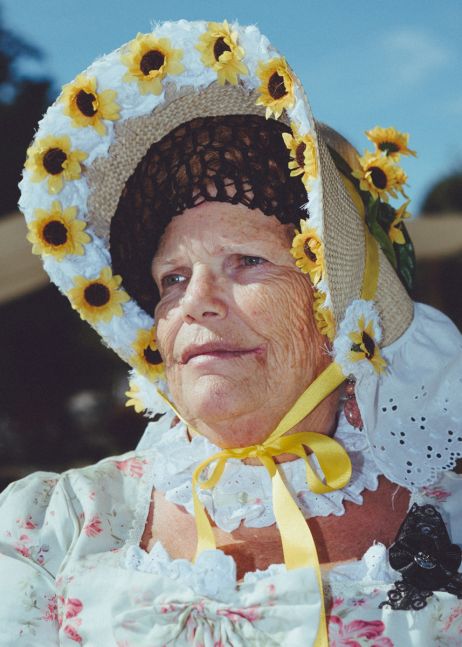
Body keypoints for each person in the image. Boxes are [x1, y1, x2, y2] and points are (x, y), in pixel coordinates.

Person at [1, 19, 462, 645]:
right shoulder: (53, 523)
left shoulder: (448, 509)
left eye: (245, 262)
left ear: (337, 300)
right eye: (170, 279)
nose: (195, 303)